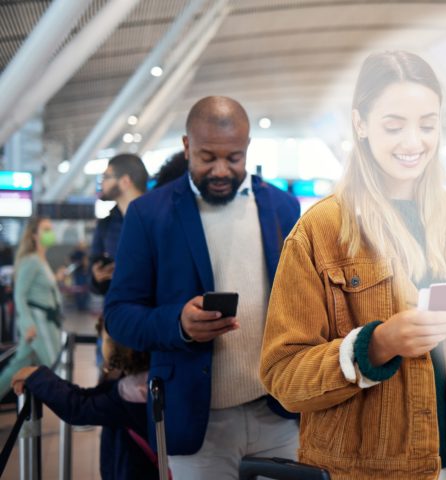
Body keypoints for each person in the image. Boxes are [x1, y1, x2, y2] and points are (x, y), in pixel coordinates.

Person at [260, 51, 446, 480]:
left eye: (428, 124)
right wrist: (376, 345)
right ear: (361, 124)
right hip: (368, 471)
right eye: (394, 125)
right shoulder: (320, 231)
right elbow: (283, 378)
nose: (413, 142)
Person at [104, 96, 301, 478]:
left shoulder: (283, 207)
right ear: (186, 146)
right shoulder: (150, 214)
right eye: (207, 157)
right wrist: (178, 324)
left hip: (277, 412)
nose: (222, 170)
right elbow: (120, 314)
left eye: (234, 158)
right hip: (197, 421)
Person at [11, 319, 157, 480]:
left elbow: (78, 407)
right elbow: (86, 396)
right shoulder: (141, 380)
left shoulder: (131, 393)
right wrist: (38, 378)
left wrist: (37, 376)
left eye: (104, 340)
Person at [0, 217, 62, 399]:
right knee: (53, 366)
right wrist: (28, 324)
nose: (50, 233)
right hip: (38, 325)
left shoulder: (41, 260)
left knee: (23, 369)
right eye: (45, 229)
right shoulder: (32, 260)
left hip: (46, 323)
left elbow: (41, 289)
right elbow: (20, 294)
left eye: (51, 228)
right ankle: (72, 414)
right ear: (34, 235)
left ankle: (27, 427)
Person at [90, 153, 148, 295]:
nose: (102, 183)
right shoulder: (106, 224)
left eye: (106, 177)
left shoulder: (158, 219)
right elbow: (92, 277)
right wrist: (97, 277)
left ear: (125, 181)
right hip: (117, 307)